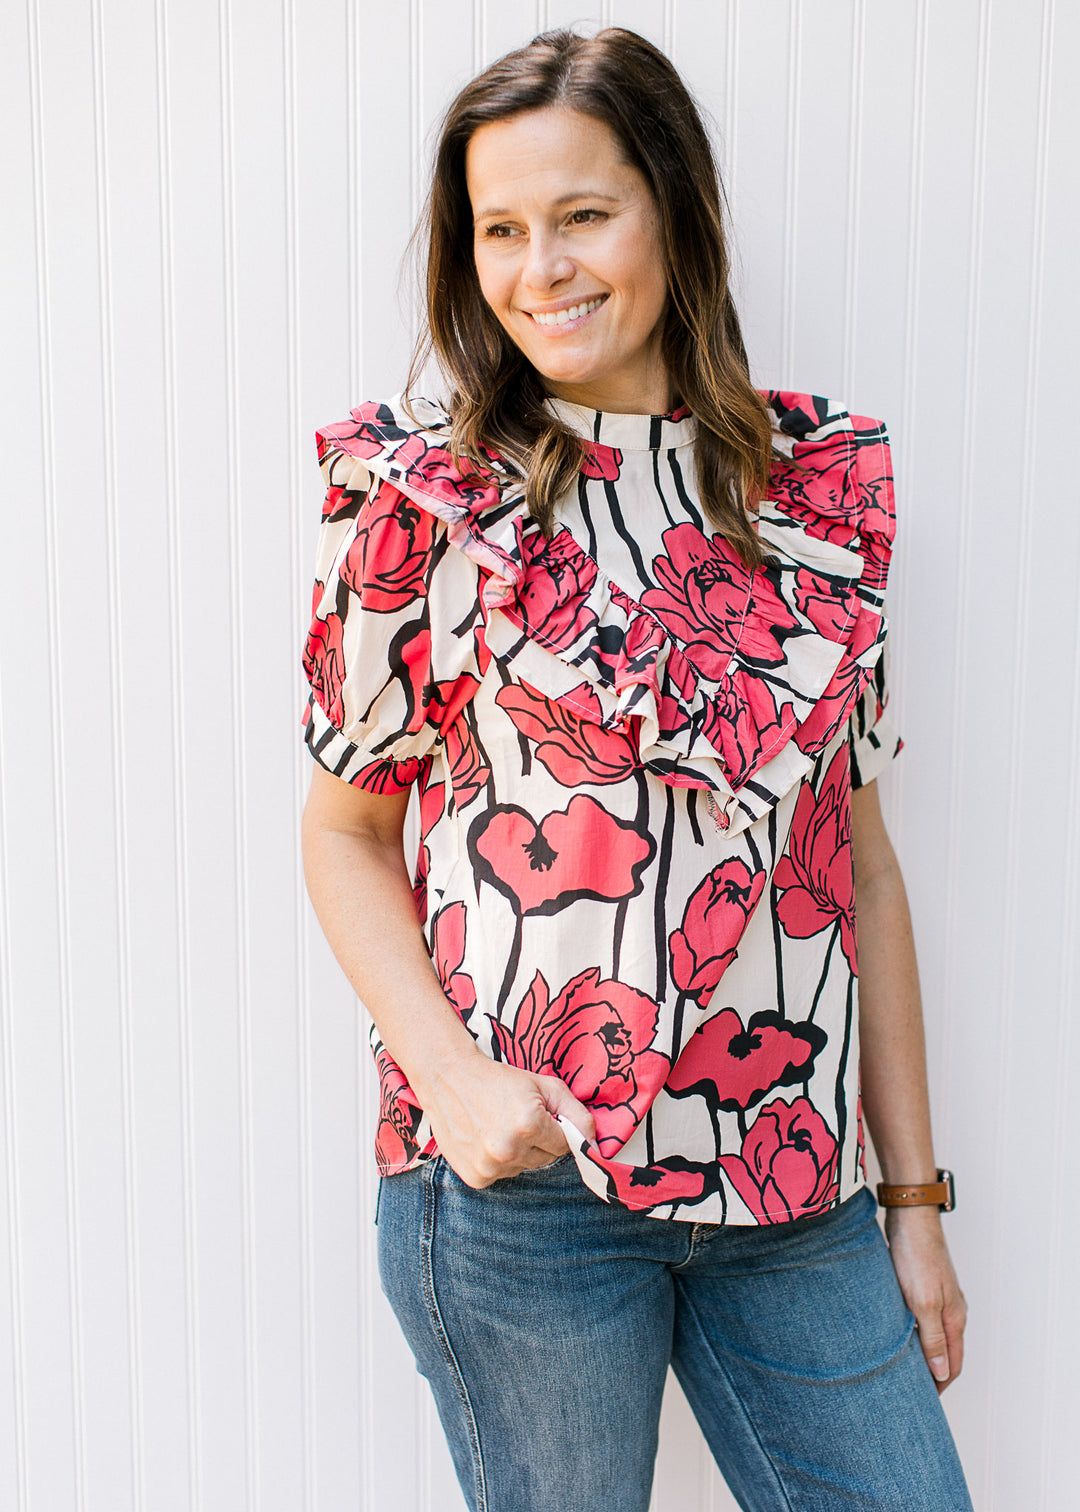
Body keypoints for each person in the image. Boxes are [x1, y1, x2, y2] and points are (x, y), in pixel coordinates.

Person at [300, 26, 972, 1512]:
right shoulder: (429, 500)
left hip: (793, 1188)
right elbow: (341, 832)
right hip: (526, 1196)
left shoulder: (811, 502)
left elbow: (857, 865)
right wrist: (456, 1084)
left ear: (676, 211)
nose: (541, 268)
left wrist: (915, 1201)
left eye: (584, 214)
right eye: (501, 230)